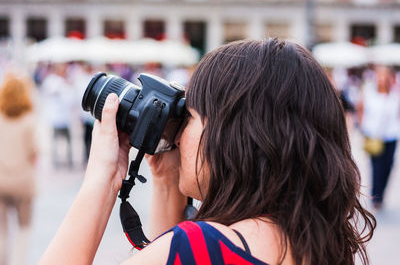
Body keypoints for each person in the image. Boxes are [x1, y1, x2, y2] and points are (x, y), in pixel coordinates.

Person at [40, 39, 375, 265]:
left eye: (191, 117)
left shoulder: (202, 248)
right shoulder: (318, 244)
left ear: (231, 137)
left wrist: (102, 179)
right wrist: (168, 181)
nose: (180, 134)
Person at [0, 75, 38, 265]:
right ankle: (18, 261)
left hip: (0, 181)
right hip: (23, 182)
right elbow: (35, 151)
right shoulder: (28, 121)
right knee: (24, 228)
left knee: (2, 230)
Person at [358, 65, 400, 210]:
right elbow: (360, 109)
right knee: (377, 167)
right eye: (380, 76)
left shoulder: (394, 95)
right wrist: (363, 126)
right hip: (373, 135)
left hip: (391, 136)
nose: (382, 79)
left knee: (388, 166)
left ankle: (381, 193)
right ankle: (376, 197)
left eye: (384, 76)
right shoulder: (369, 93)